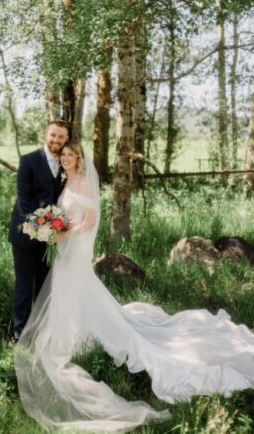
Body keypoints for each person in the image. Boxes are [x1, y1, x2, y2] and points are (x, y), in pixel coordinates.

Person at [16, 141, 254, 431]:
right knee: (73, 293)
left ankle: (83, 334)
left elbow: (90, 221)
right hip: (65, 249)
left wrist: (62, 237)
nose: (65, 158)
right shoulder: (66, 181)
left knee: (79, 289)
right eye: (63, 154)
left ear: (79, 159)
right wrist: (53, 228)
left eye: (70, 155)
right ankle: (77, 332)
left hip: (74, 250)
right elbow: (64, 215)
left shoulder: (85, 184)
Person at [8, 119, 67, 341]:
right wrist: (46, 226)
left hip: (51, 238)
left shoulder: (66, 162)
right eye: (53, 135)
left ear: (66, 139)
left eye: (61, 137)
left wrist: (55, 231)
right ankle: (20, 334)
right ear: (46, 134)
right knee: (24, 285)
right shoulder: (29, 161)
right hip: (25, 234)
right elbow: (25, 202)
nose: (56, 140)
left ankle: (42, 330)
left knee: (45, 286)